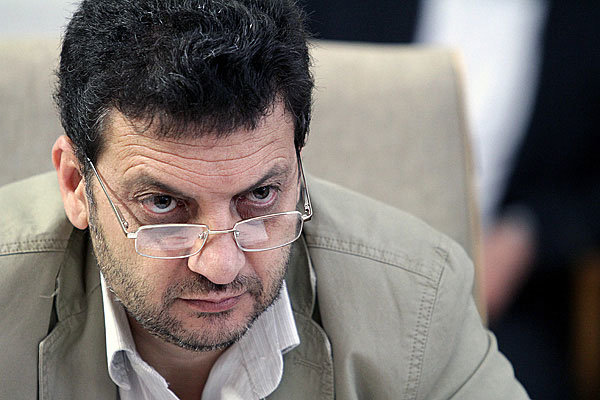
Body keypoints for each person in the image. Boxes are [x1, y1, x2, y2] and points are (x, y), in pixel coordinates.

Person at [0, 1, 528, 399]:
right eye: (163, 203)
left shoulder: (421, 300)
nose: (222, 265)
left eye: (259, 195)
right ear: (76, 184)